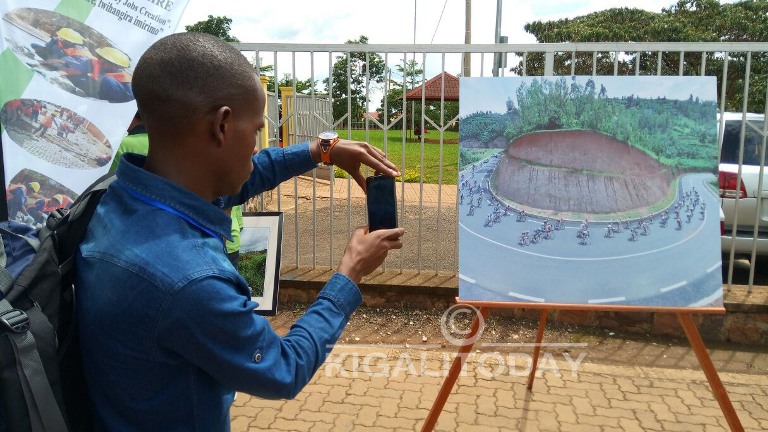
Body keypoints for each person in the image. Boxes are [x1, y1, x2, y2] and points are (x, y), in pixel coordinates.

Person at [75, 32, 404, 431]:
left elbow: (242, 178)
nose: (256, 147)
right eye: (255, 131)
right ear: (222, 125)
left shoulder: (121, 195)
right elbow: (283, 368)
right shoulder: (189, 280)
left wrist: (321, 150)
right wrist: (349, 273)